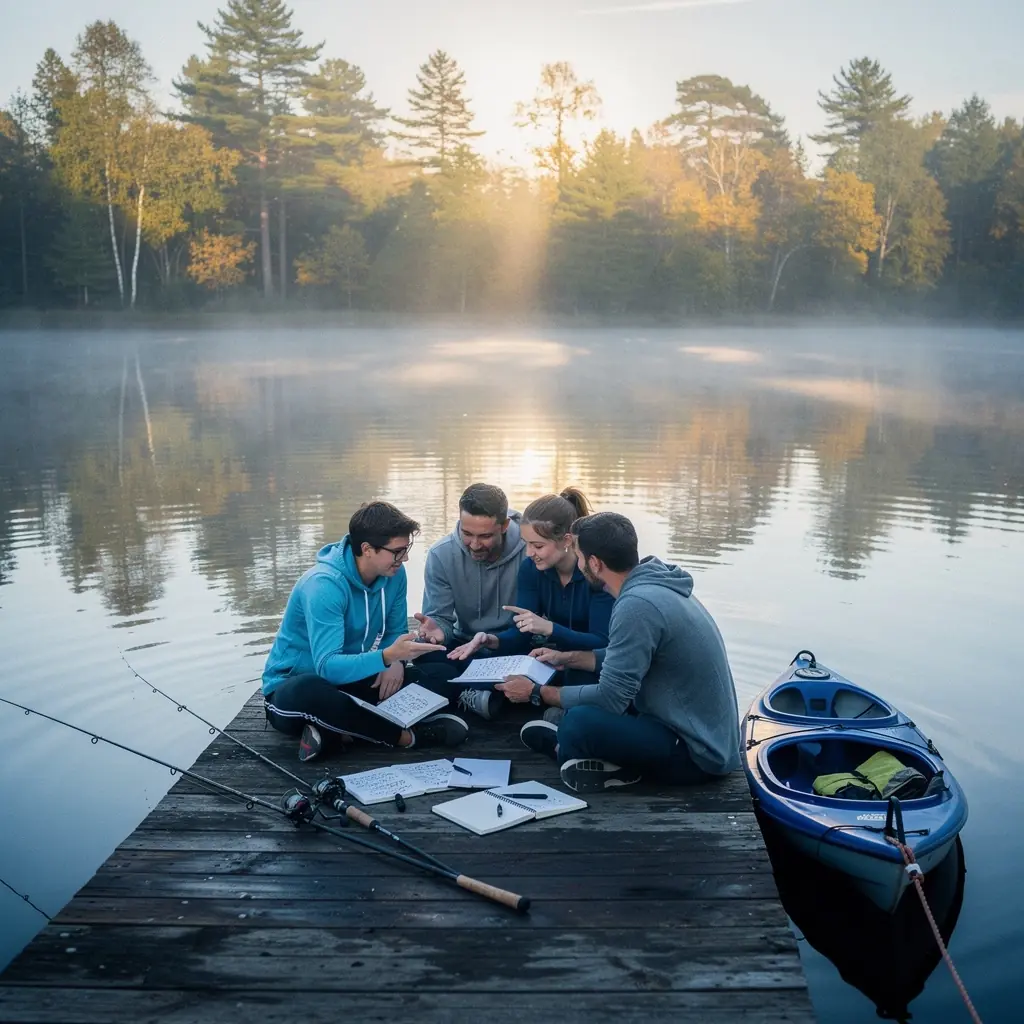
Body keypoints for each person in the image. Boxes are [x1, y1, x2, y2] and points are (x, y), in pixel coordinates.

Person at [510, 511, 741, 794]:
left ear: (595, 564)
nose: (579, 564)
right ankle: (578, 747)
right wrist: (569, 658)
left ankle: (567, 748)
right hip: (696, 731)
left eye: (580, 558)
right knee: (579, 684)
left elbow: (611, 697)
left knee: (577, 723)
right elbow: (628, 656)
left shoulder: (637, 605)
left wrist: (537, 693)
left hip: (696, 755)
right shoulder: (657, 584)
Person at [262, 501, 470, 762]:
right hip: (295, 690)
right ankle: (408, 737)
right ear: (367, 549)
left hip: (351, 680)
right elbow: (326, 666)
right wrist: (386, 657)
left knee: (444, 674)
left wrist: (395, 663)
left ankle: (338, 732)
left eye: (406, 549)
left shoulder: (395, 575)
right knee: (312, 690)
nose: (404, 558)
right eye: (397, 551)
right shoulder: (323, 587)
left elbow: (396, 630)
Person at [450, 488, 613, 698]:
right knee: (473, 663)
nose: (529, 554)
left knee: (578, 678)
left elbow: (603, 643)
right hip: (553, 658)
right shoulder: (531, 569)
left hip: (590, 662)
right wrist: (492, 640)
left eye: (537, 546)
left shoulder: (594, 572)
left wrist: (550, 629)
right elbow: (521, 633)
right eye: (526, 544)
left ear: (566, 541)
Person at [412, 482, 526, 718]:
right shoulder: (440, 554)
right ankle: (484, 691)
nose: (474, 545)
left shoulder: (530, 550)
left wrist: (496, 640)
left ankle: (468, 689)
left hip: (511, 644)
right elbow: (440, 618)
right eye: (467, 534)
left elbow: (532, 622)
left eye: (485, 536)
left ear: (504, 526)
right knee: (424, 655)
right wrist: (439, 630)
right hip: (463, 646)